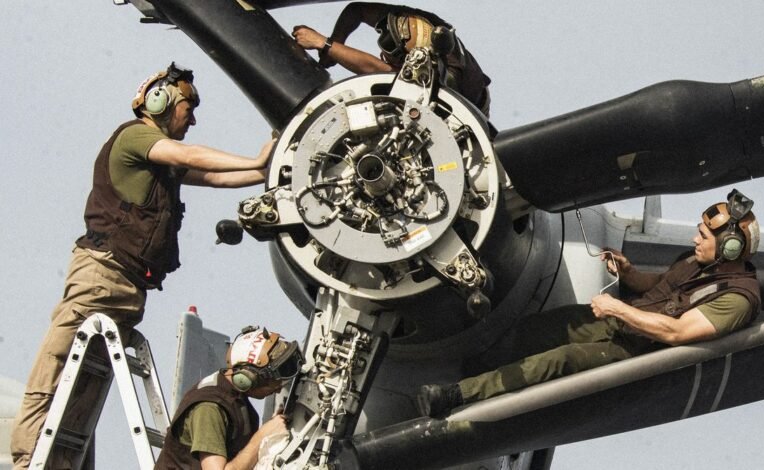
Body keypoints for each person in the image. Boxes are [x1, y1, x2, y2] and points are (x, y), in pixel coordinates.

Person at [11, 62, 276, 469]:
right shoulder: (135, 136)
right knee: (56, 370)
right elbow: (191, 155)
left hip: (128, 286)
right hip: (101, 275)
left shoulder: (164, 164)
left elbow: (215, 176)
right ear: (162, 101)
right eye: (189, 107)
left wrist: (264, 166)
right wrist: (253, 159)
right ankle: (30, 457)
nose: (193, 118)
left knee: (83, 389)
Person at [416, 189, 762, 417]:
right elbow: (663, 286)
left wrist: (617, 308)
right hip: (622, 322)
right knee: (545, 327)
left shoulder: (737, 299)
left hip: (638, 351)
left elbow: (674, 332)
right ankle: (473, 366)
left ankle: (457, 396)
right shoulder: (702, 260)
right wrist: (629, 273)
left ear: (730, 248)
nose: (693, 239)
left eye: (702, 236)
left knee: (555, 362)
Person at [292, 2, 492, 115]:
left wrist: (325, 45)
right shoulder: (416, 22)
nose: (383, 52)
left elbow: (376, 70)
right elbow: (357, 10)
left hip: (464, 109)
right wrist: (337, 39)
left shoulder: (440, 72)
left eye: (388, 48)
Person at [155, 326, 303, 469]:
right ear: (248, 378)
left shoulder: (233, 396)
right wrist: (263, 435)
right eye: (274, 382)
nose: (278, 389)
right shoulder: (209, 408)